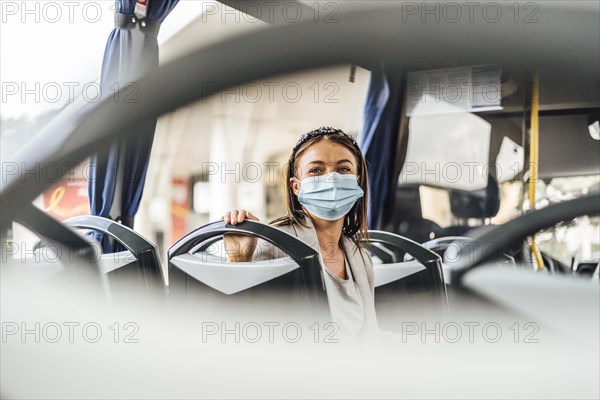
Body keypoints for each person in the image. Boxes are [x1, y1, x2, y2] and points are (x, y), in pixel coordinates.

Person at [221, 127, 378, 340]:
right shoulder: (275, 245)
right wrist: (238, 260)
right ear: (296, 187)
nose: (331, 179)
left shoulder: (360, 257)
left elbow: (369, 337)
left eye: (343, 169)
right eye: (316, 170)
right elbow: (244, 332)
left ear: (358, 182)